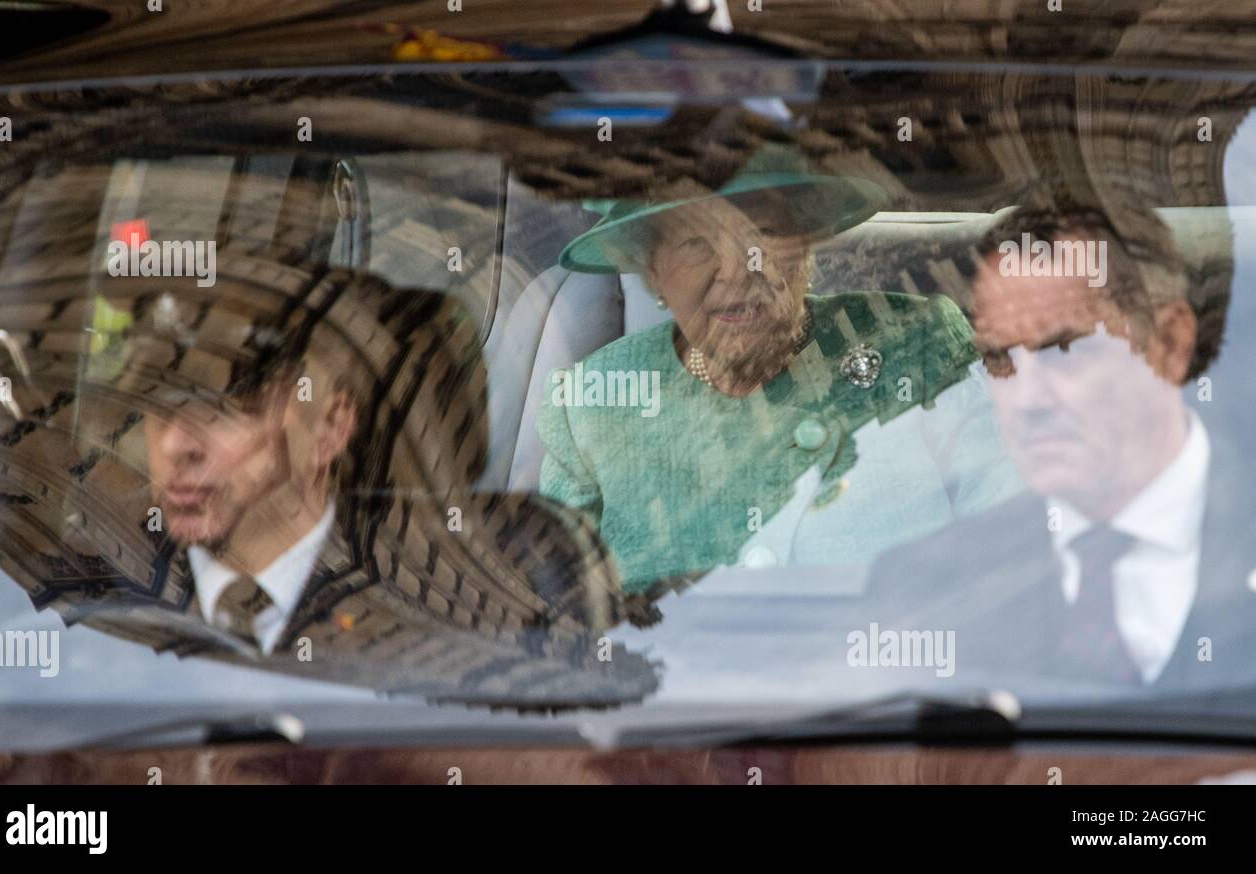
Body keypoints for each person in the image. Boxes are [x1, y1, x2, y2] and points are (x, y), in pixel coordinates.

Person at [0, 265, 658, 708]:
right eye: (158, 406)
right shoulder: (77, 612)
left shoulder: (512, 582)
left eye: (222, 408)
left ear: (331, 424)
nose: (176, 445)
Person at [537, 147, 1023, 595]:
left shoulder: (914, 341)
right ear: (653, 273)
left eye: (764, 234)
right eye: (695, 242)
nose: (736, 270)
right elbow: (561, 612)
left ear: (807, 247)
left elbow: (1010, 555)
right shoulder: (590, 403)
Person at [865, 197, 1256, 688]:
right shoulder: (923, 589)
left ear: (1171, 344)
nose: (1025, 400)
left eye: (1066, 350)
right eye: (999, 360)